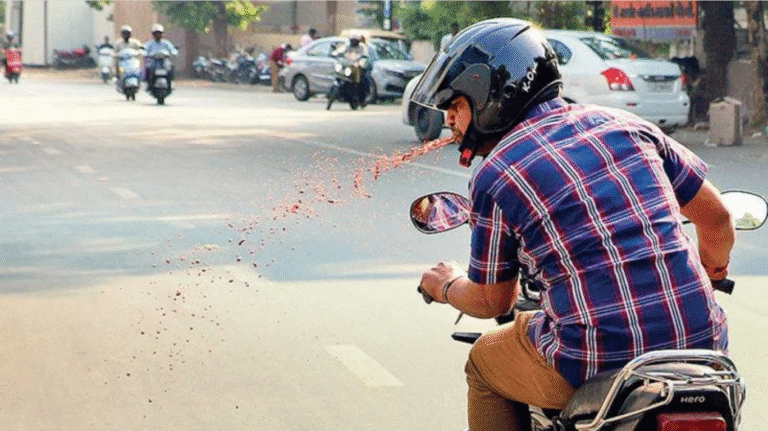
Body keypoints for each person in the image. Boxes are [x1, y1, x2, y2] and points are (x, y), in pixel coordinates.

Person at [410, 18, 734, 431]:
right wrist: (712, 272)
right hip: (705, 349)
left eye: (455, 107)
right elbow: (718, 218)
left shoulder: (497, 175)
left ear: (489, 95)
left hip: (593, 360)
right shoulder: (629, 127)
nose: (452, 124)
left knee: (483, 364)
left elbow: (494, 303)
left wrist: (446, 285)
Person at [143, 24, 178, 89]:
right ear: (153, 34)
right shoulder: (150, 43)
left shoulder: (166, 43)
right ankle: (148, 84)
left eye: (159, 33)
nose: (158, 35)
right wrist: (145, 54)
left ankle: (171, 83)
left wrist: (173, 53)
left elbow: (173, 50)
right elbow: (144, 50)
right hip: (154, 61)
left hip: (164, 61)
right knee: (148, 68)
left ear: (162, 34)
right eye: (156, 33)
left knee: (171, 68)